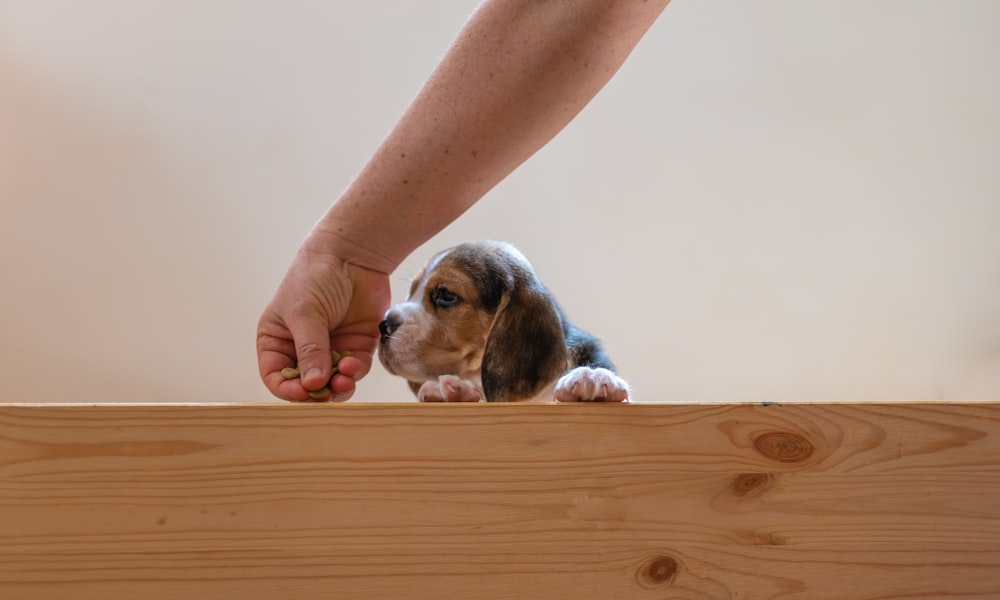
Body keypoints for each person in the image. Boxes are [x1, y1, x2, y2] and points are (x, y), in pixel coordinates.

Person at [257, 0, 670, 401]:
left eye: (444, 298)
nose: (391, 318)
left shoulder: (554, 353)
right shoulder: (463, 380)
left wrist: (344, 252)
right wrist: (346, 253)